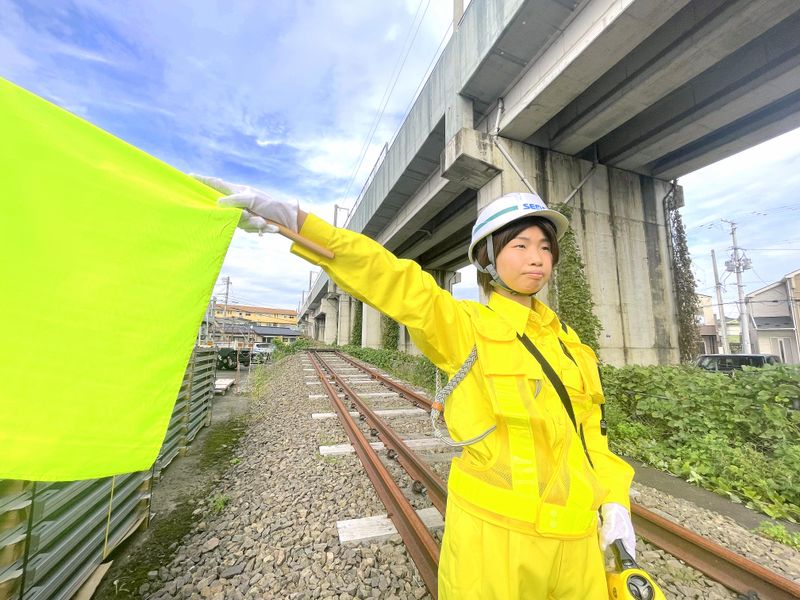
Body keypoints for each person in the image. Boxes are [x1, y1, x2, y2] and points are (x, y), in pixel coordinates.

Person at [196, 175, 636, 599]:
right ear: (487, 258)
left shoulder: (570, 344)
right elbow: (392, 279)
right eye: (519, 246)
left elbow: (590, 435)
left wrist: (615, 502)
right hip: (496, 542)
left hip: (580, 545)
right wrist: (294, 222)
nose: (536, 258)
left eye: (544, 247)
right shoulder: (463, 327)